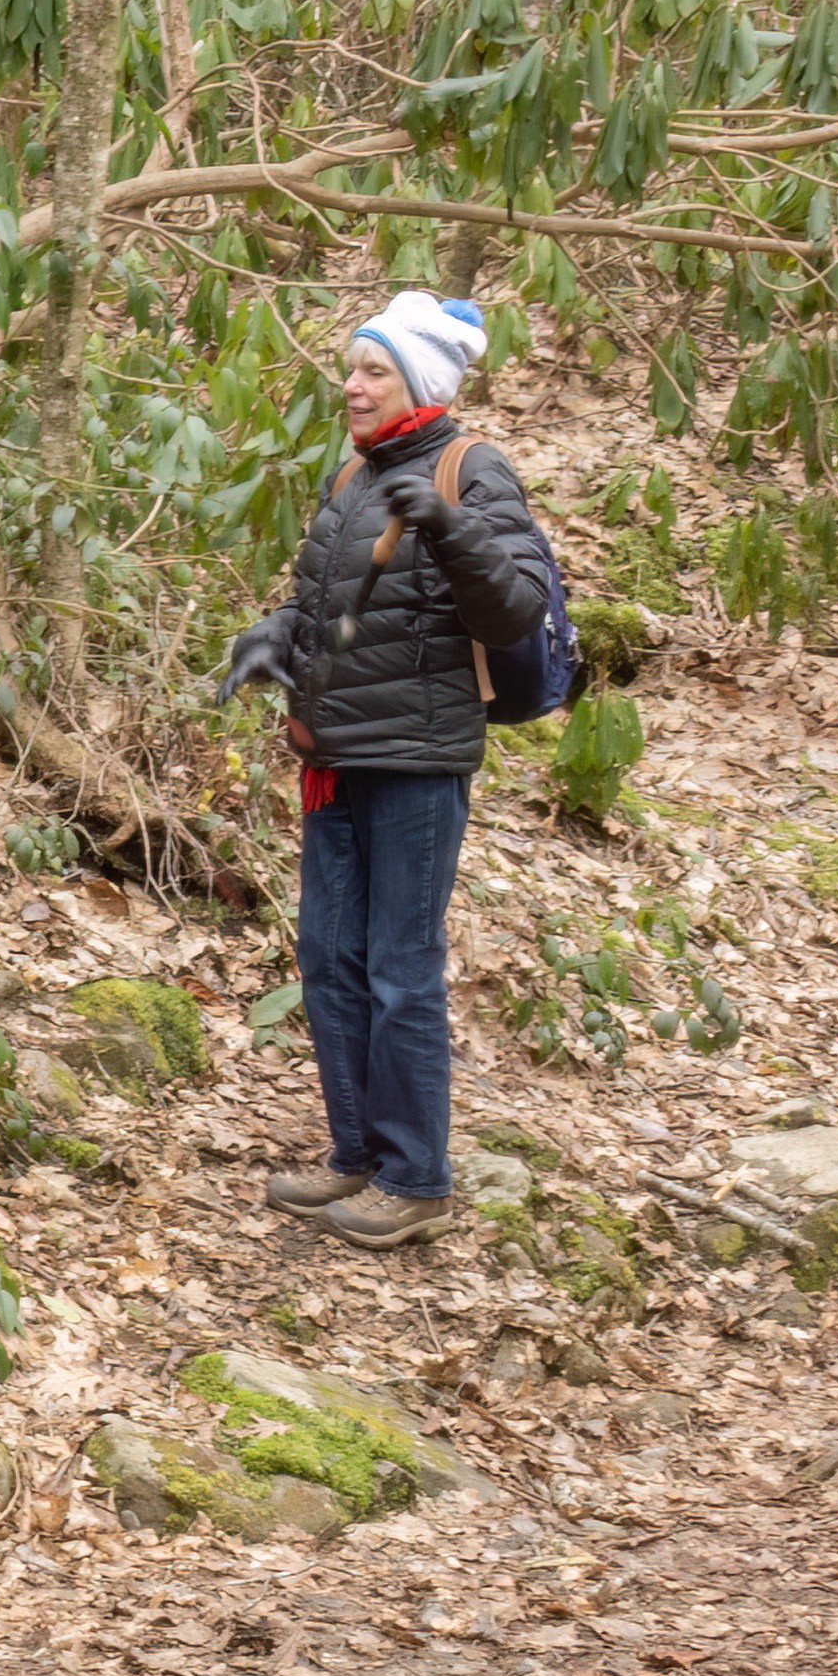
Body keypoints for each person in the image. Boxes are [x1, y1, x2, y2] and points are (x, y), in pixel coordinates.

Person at [225, 289, 563, 1252]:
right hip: (335, 756)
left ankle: (417, 1178)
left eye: (374, 370)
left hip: (417, 761)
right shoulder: (350, 481)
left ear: (420, 380)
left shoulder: (473, 470)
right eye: (353, 366)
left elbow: (511, 610)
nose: (353, 383)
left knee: (400, 973)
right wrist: (271, 638)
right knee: (331, 961)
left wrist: (448, 526)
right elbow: (324, 606)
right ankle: (357, 1155)